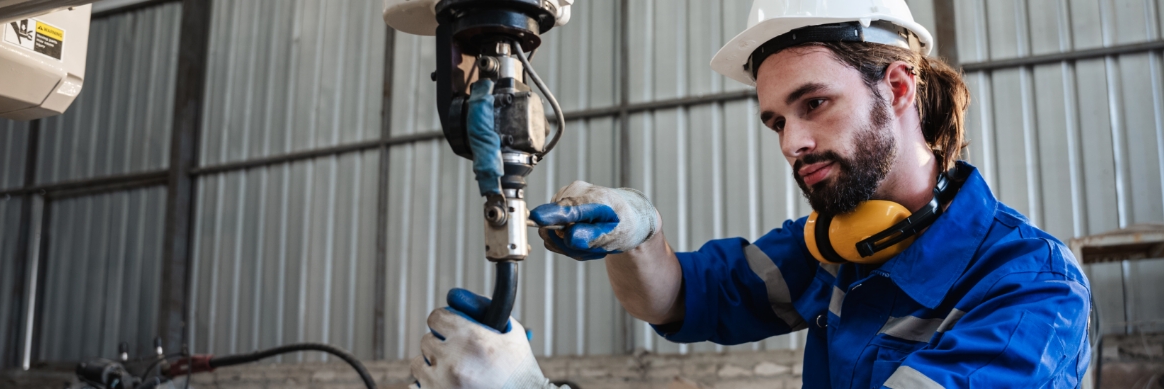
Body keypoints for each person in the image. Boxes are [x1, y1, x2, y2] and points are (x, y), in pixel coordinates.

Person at [410, 0, 1092, 388]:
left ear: (900, 90)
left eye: (814, 103)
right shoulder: (835, 246)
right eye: (776, 120)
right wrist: (639, 233)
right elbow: (677, 296)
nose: (791, 142)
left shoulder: (1030, 287)